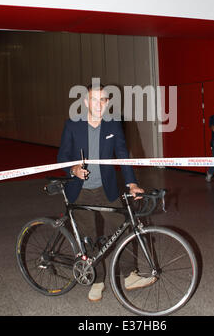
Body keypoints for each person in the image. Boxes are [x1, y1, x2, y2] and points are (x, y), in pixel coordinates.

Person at [57, 83, 156, 301]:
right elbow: (62, 156)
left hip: (106, 188)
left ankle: (130, 274)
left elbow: (122, 155)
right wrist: (73, 169)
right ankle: (98, 279)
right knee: (90, 238)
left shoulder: (113, 125)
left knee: (123, 228)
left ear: (107, 102)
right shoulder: (73, 125)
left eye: (103, 100)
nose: (99, 104)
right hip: (80, 191)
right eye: (94, 100)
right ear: (85, 103)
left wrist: (131, 184)